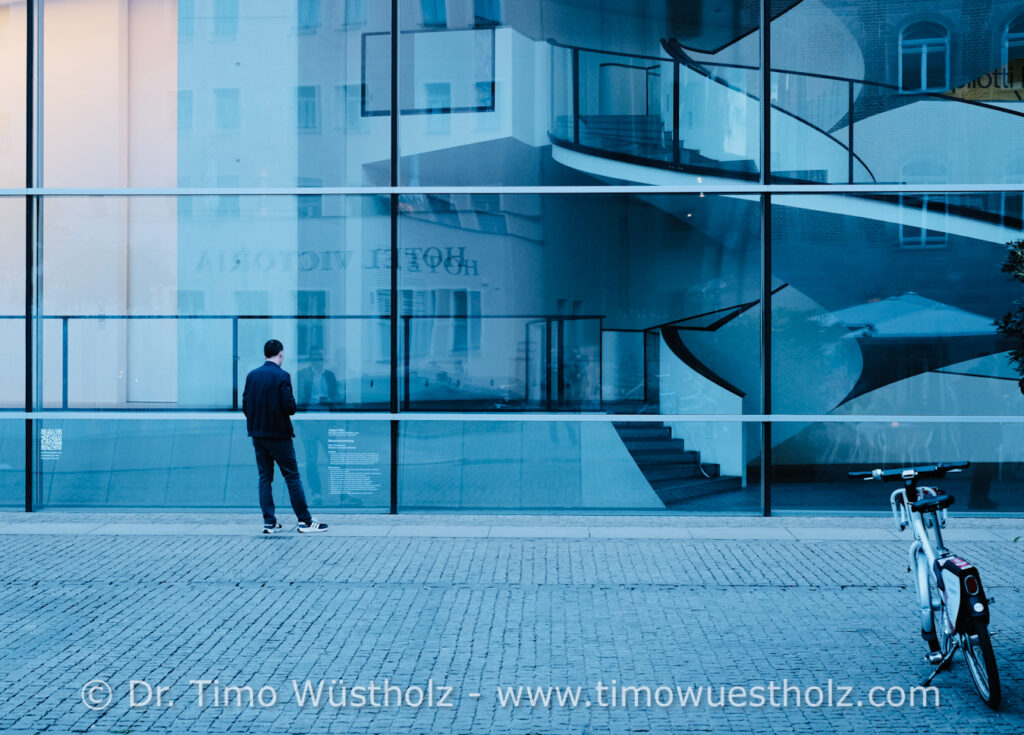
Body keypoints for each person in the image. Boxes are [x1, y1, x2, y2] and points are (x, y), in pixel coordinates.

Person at [242, 339, 328, 534]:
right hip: (279, 436)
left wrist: (258, 422)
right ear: (280, 355)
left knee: (265, 478)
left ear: (265, 354)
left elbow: (246, 405)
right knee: (292, 477)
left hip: (258, 435)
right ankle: (305, 521)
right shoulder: (282, 376)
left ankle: (269, 522)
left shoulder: (252, 376)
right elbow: (290, 407)